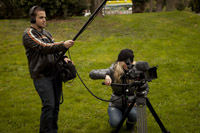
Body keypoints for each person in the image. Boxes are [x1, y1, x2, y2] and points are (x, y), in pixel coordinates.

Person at [22, 5, 74, 133]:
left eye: (45, 17)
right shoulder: (28, 34)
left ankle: (53, 131)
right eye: (41, 18)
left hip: (55, 73)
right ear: (33, 19)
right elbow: (44, 47)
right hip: (41, 76)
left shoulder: (47, 33)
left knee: (56, 106)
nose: (44, 20)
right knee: (49, 105)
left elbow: (54, 50)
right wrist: (63, 44)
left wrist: (64, 58)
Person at [89, 49, 149, 131]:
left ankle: (130, 124)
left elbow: (145, 88)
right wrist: (105, 75)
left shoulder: (137, 70)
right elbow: (92, 73)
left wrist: (137, 101)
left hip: (131, 103)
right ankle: (116, 117)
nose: (128, 65)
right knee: (115, 123)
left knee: (135, 115)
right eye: (126, 62)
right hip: (116, 104)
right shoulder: (113, 70)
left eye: (131, 62)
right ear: (120, 62)